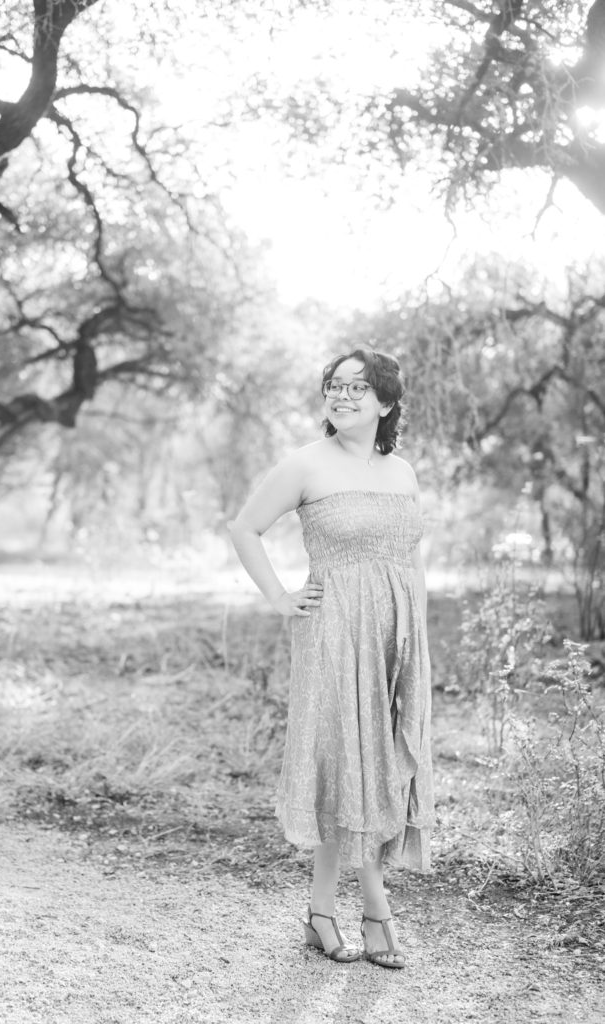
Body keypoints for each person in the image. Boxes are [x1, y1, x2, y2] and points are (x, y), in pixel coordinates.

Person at [228, 346, 434, 968]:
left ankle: (321, 910)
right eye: (334, 386)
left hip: (397, 635)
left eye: (357, 388)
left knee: (377, 767)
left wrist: (417, 634)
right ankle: (376, 911)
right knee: (351, 763)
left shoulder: (403, 472)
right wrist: (279, 596)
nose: (342, 397)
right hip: (335, 631)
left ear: (386, 402)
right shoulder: (305, 465)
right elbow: (244, 528)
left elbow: (411, 556)